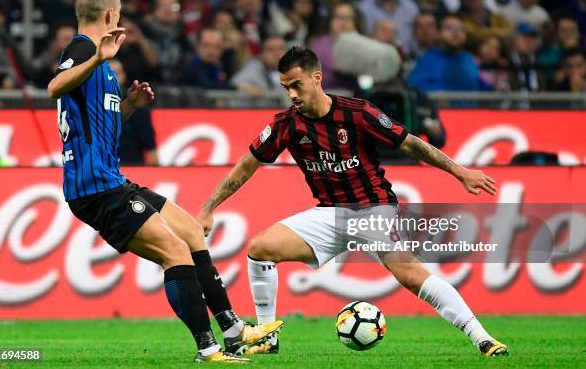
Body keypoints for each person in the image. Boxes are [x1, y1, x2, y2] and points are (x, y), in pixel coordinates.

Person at [197, 46, 508, 357]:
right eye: (285, 87)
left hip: (371, 209)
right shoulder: (286, 124)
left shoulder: (357, 113)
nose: (291, 94)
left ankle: (482, 338)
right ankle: (268, 339)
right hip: (330, 213)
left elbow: (411, 144)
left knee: (412, 276)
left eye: (296, 85)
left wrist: (460, 172)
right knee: (260, 249)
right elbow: (246, 166)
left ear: (316, 78)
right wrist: (209, 208)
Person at [46, 0, 282, 363]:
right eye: (119, 11)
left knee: (189, 230)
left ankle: (235, 330)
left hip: (110, 178)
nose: (120, 17)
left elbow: (101, 128)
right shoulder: (86, 50)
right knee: (174, 251)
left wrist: (131, 105)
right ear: (109, 14)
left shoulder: (101, 62)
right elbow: (54, 87)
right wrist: (97, 58)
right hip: (94, 188)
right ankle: (207, 347)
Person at [407, 14, 482, 92]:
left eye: (460, 29)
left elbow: (481, 88)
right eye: (449, 28)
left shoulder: (469, 60)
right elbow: (414, 87)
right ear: (438, 33)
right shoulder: (428, 60)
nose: (456, 33)